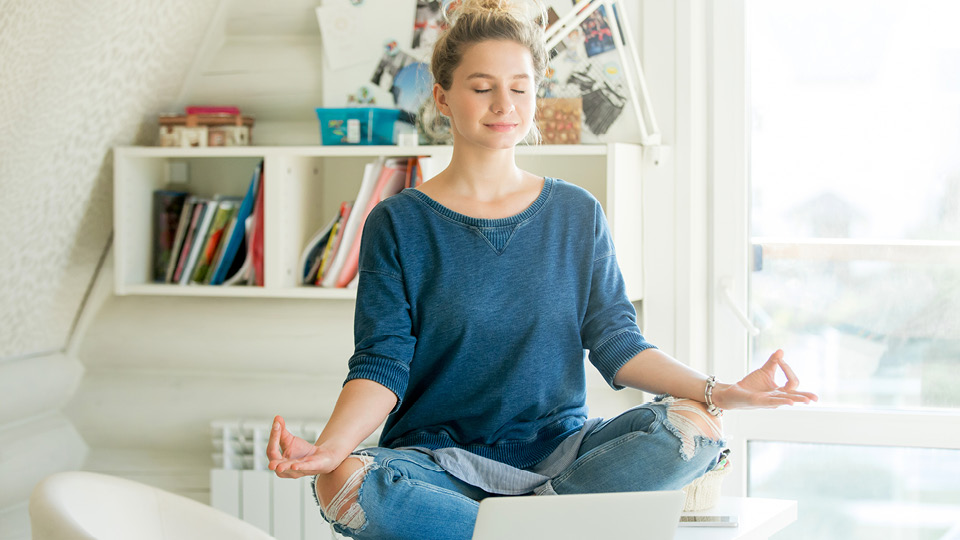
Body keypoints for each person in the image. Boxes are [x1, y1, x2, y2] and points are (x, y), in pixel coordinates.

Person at [268, 1, 818, 539]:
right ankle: (551, 530)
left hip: (561, 457)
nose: (503, 103)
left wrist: (720, 390)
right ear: (443, 97)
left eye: (520, 87)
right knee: (340, 483)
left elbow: (617, 343)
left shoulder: (576, 212)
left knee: (695, 427)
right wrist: (331, 448)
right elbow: (381, 364)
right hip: (440, 463)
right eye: (482, 87)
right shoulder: (398, 222)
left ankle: (516, 527)